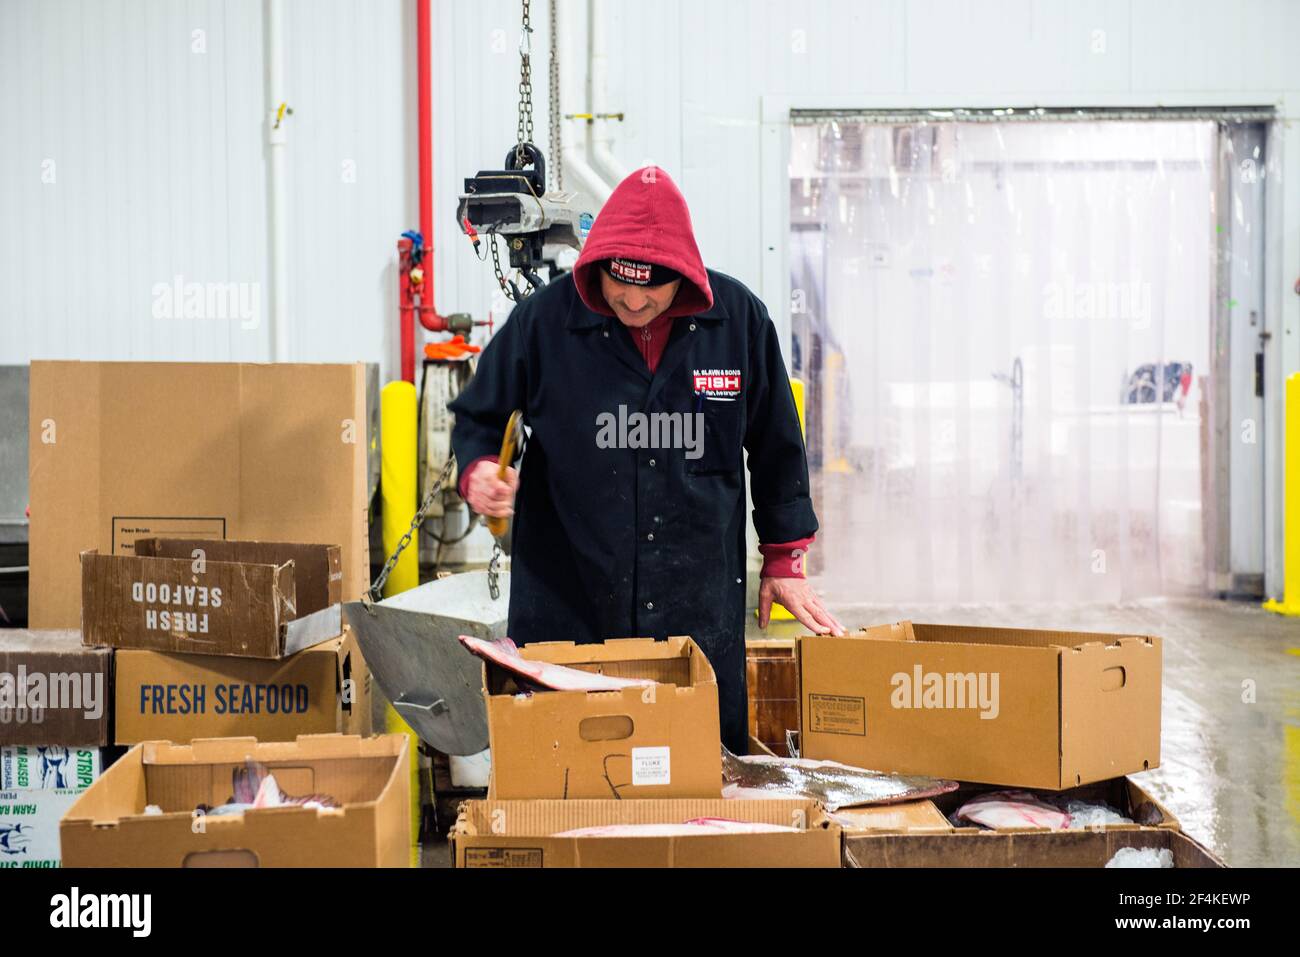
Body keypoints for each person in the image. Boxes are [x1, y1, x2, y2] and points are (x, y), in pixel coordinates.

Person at [449, 166, 843, 754]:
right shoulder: (544, 323)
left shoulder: (737, 322)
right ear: (599, 265)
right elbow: (479, 415)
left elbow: (776, 442)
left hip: (696, 602)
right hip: (568, 600)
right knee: (563, 766)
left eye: (651, 290)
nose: (632, 299)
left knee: (699, 768)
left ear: (683, 280)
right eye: (618, 282)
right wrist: (479, 469)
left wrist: (784, 558)